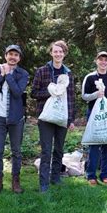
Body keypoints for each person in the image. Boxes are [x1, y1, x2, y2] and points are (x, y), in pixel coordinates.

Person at [0, 45, 29, 194]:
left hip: (16, 118)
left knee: (16, 151)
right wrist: (1, 75)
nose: (13, 57)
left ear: (19, 58)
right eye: (10, 54)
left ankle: (16, 181)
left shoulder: (23, 73)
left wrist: (8, 75)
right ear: (5, 56)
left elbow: (17, 92)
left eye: (16, 55)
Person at [31, 40, 75, 192]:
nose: (58, 54)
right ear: (51, 53)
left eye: (60, 52)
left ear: (64, 54)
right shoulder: (42, 71)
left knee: (59, 149)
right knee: (46, 150)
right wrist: (51, 91)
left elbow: (71, 97)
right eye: (55, 51)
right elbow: (34, 93)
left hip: (62, 117)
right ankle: (43, 183)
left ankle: (55, 177)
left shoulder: (68, 73)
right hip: (46, 117)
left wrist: (70, 119)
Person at [82, 51, 107, 185]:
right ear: (96, 61)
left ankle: (105, 174)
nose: (103, 62)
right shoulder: (90, 77)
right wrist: (96, 94)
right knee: (94, 145)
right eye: (100, 60)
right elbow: (84, 96)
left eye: (106, 60)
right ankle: (91, 175)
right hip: (94, 117)